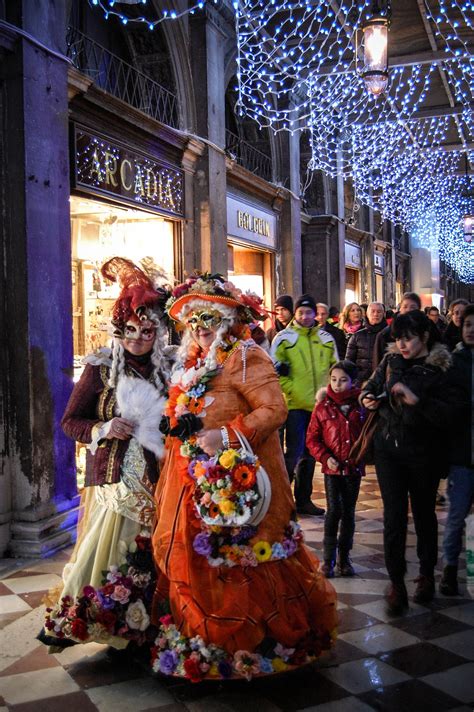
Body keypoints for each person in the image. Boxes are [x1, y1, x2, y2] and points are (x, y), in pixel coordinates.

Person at [151, 274, 337, 681]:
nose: (200, 328)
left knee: (246, 557)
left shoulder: (247, 356)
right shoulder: (196, 362)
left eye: (208, 319)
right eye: (194, 322)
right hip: (198, 482)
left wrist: (226, 434)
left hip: (243, 483)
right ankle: (204, 639)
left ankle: (249, 645)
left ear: (226, 321)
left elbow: (274, 411)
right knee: (200, 557)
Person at [40, 258, 174, 651]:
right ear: (119, 329)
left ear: (157, 332)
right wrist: (103, 428)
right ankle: (109, 626)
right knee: (114, 553)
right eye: (130, 331)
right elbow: (70, 422)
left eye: (147, 331)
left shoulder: (166, 368)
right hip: (115, 480)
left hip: (161, 477)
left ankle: (152, 628)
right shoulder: (99, 369)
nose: (138, 339)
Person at [360, 311, 455, 614]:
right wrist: (367, 397)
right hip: (389, 449)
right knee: (394, 517)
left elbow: (448, 414)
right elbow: (370, 385)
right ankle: (396, 582)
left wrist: (418, 401)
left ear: (424, 336)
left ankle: (425, 575)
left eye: (408, 338)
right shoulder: (391, 361)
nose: (401, 344)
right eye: (398, 338)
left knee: (425, 514)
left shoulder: (440, 368)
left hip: (424, 451)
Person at [272, 294, 338, 516]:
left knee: (310, 455)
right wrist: (290, 389)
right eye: (301, 312)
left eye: (309, 312)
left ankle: (303, 499)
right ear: (295, 313)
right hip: (294, 406)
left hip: (318, 405)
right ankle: (282, 499)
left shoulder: (326, 339)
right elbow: (275, 370)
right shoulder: (283, 338)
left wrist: (328, 393)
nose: (305, 316)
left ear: (315, 314)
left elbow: (334, 367)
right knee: (294, 452)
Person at [306, 360, 366, 578]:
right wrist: (325, 458)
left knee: (349, 512)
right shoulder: (323, 407)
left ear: (353, 382)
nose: (338, 385)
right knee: (333, 511)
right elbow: (312, 439)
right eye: (334, 380)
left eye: (343, 380)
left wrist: (361, 456)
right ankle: (328, 559)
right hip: (332, 469)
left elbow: (368, 434)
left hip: (353, 469)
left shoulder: (361, 406)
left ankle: (344, 558)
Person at [440, 304, 474, 596]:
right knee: (456, 514)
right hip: (462, 453)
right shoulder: (454, 361)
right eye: (467, 325)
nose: (471, 329)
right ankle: (450, 568)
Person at [372, 292, 422, 368]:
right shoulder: (385, 334)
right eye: (405, 307)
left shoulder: (424, 330)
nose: (408, 310)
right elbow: (378, 364)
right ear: (400, 308)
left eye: (413, 307)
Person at [346, 302, 387, 386]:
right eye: (373, 311)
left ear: (384, 314)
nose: (376, 314)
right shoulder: (357, 336)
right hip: (362, 382)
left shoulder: (390, 334)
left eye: (379, 312)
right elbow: (349, 362)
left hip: (385, 382)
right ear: (367, 314)